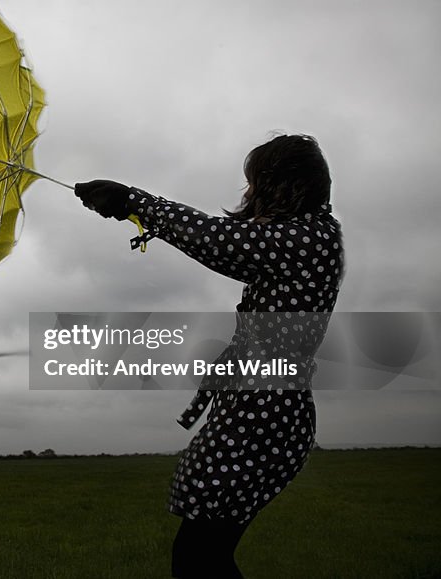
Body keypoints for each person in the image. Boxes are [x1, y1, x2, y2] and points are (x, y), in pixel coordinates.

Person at [75, 134, 344, 578]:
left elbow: (217, 241)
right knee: (204, 555)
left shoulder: (307, 237)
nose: (248, 194)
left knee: (199, 557)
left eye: (255, 183)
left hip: (264, 415)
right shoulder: (312, 235)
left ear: (284, 184)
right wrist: (133, 205)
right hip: (260, 409)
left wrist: (132, 201)